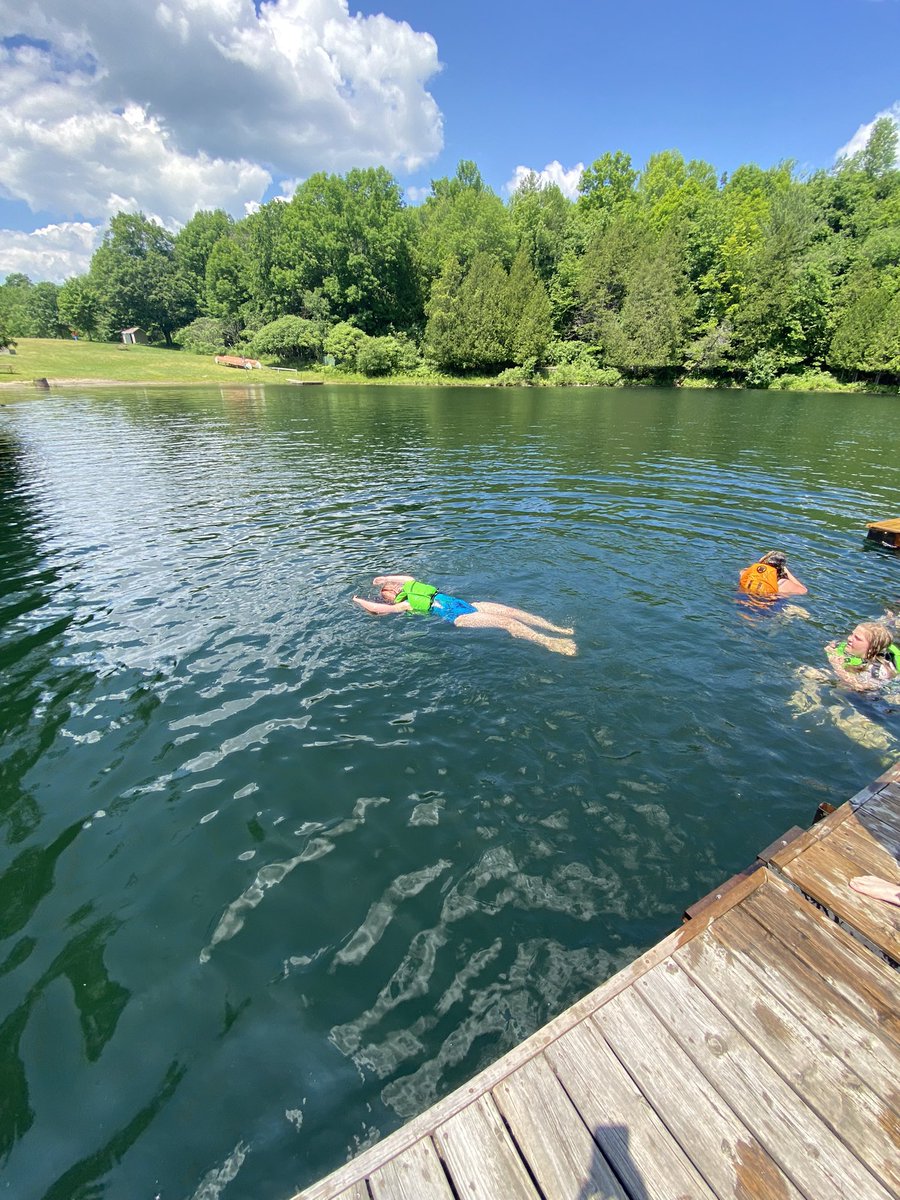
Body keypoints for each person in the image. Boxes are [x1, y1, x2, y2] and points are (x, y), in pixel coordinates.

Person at [353, 575, 576, 655]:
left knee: (512, 611)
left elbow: (406, 577)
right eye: (389, 590)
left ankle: (555, 629)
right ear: (392, 597)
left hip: (468, 605)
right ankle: (549, 643)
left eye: (392, 585)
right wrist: (359, 601)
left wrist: (383, 578)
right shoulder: (405, 605)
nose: (393, 587)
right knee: (506, 622)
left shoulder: (411, 585)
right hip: (459, 618)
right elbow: (381, 609)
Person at [825, 621, 900, 693]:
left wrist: (837, 666)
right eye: (852, 634)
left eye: (857, 638)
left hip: (864, 700)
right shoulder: (859, 655)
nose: (849, 638)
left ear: (871, 648)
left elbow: (859, 687)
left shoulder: (878, 670)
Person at [738, 551, 807, 598]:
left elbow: (743, 572)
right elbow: (804, 591)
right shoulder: (783, 583)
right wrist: (785, 570)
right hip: (768, 608)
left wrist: (760, 564)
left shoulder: (747, 573)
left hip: (744, 599)